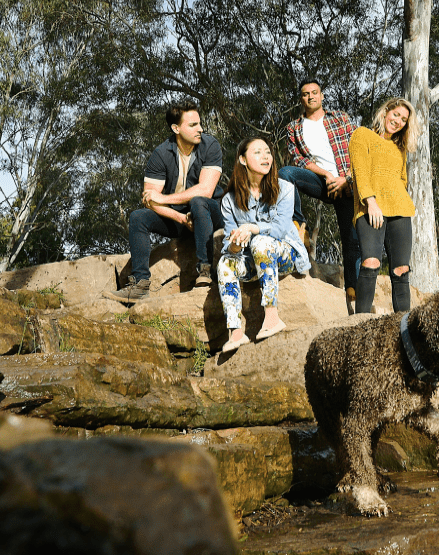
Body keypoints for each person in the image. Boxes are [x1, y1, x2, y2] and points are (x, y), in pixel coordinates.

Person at [105, 100, 223, 304]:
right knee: (138, 217)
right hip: (180, 218)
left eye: (200, 123)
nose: (200, 129)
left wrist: (165, 199)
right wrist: (179, 217)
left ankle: (205, 271)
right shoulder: (161, 153)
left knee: (198, 201)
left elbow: (206, 190)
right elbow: (149, 200)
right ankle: (140, 284)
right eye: (193, 125)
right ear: (176, 128)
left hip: (208, 214)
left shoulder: (210, 145)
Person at [218, 137, 311, 353]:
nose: (266, 157)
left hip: (285, 255)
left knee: (260, 241)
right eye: (258, 152)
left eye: (268, 152)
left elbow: (279, 230)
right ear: (242, 159)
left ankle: (272, 317)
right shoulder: (229, 200)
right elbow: (227, 245)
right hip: (253, 257)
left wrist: (251, 228)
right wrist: (235, 245)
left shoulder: (285, 189)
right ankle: (236, 332)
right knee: (225, 263)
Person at [279, 79, 361, 313]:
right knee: (286, 173)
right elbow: (301, 160)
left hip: (348, 184)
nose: (311, 97)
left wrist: (345, 178)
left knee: (351, 238)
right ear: (301, 99)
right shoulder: (294, 128)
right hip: (322, 182)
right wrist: (327, 175)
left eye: (315, 93)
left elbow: (357, 148)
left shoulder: (340, 119)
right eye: (305, 94)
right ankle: (299, 224)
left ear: (322, 96)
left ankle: (352, 293)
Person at [349, 97, 419, 315]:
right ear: (386, 112)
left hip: (400, 211)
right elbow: (359, 171)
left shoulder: (400, 149)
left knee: (401, 270)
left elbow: (402, 180)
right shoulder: (362, 135)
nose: (398, 121)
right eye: (396, 114)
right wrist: (371, 202)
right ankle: (359, 323)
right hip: (370, 208)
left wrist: (400, 200)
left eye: (404, 119)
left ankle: (403, 326)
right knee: (370, 262)